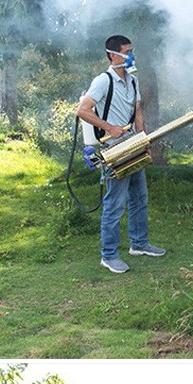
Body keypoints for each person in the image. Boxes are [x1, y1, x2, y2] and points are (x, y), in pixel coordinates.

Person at [76, 34, 166, 274]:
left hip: (133, 145)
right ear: (113, 55)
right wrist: (109, 128)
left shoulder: (132, 81)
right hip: (113, 149)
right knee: (114, 203)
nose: (131, 56)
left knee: (139, 197)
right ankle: (108, 255)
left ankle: (139, 244)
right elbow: (82, 110)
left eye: (131, 51)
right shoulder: (103, 81)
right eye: (127, 52)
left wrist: (144, 139)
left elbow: (137, 112)